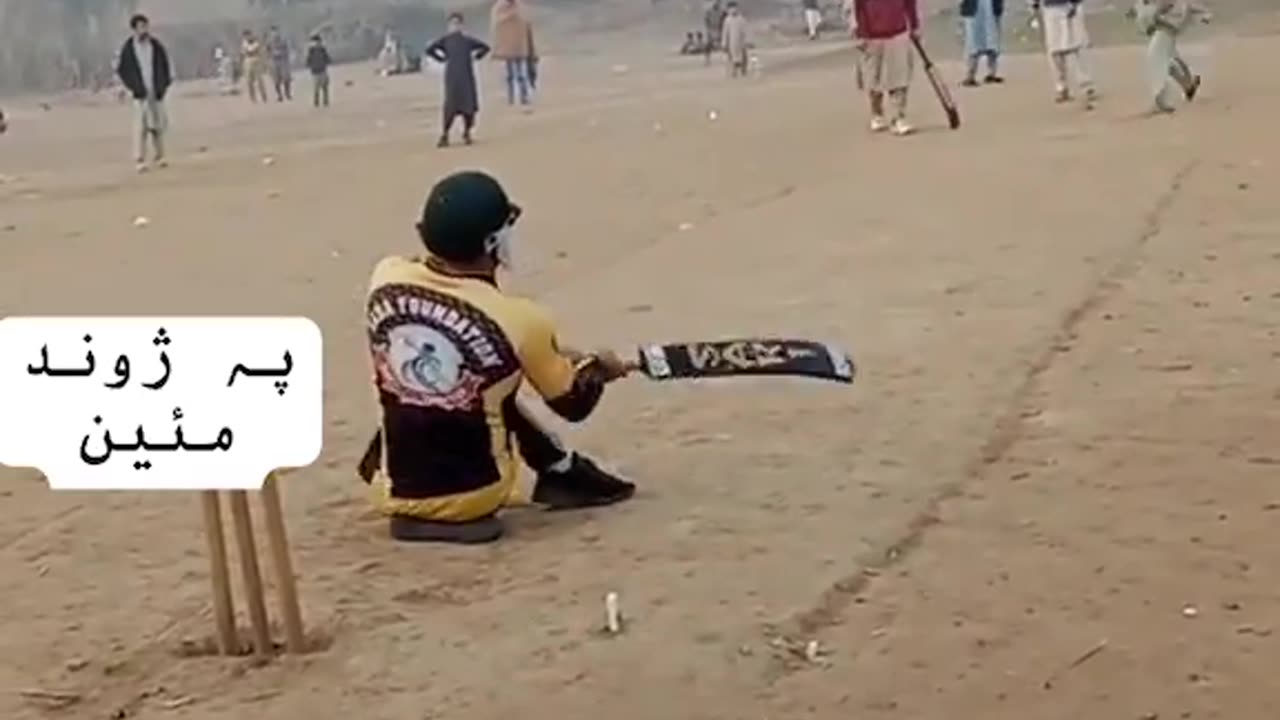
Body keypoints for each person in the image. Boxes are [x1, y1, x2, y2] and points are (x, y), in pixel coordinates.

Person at [359, 170, 637, 544]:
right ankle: (562, 473)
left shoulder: (385, 277)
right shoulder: (520, 319)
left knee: (461, 383)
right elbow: (573, 405)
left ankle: (559, 473)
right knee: (488, 383)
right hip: (477, 495)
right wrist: (597, 370)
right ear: (492, 242)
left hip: (389, 486)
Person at [850, 0, 919, 135]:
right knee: (872, 79)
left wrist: (914, 26)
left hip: (898, 31)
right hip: (870, 34)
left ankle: (898, 117)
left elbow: (910, 3)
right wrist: (857, 32)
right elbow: (854, 7)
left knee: (899, 77)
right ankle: (877, 113)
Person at [116, 14, 173, 173]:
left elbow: (165, 66)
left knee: (158, 126)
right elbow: (123, 70)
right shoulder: (129, 49)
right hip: (140, 94)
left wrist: (163, 85)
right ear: (134, 29)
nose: (144, 30)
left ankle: (160, 156)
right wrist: (134, 87)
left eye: (145, 26)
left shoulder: (155, 46)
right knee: (140, 127)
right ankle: (139, 159)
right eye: (141, 27)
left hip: (156, 92)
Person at [426, 13, 491, 147]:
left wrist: (476, 57)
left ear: (462, 25)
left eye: (457, 23)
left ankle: (467, 132)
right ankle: (445, 134)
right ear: (449, 26)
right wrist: (441, 58)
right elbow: (430, 50)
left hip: (466, 76)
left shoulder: (467, 40)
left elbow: (485, 47)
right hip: (452, 77)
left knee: (468, 107)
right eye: (452, 24)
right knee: (450, 106)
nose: (455, 26)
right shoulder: (445, 40)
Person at [1132, 0, 1209, 113]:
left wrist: (1159, 23)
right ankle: (1187, 85)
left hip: (1163, 35)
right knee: (1169, 63)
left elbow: (1158, 16)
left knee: (1157, 63)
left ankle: (1162, 98)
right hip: (1166, 35)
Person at [1030, 0, 1096, 106]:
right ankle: (1062, 87)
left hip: (1071, 6)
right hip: (1051, 8)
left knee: (1078, 46)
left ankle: (1086, 86)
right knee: (1056, 50)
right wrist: (1034, 4)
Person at [491, 0, 534, 108]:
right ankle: (511, 99)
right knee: (509, 75)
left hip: (520, 47)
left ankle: (524, 97)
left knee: (522, 75)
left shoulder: (521, 6)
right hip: (507, 48)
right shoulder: (500, 7)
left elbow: (527, 25)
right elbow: (497, 25)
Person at [960, 0, 1004, 85]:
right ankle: (970, 76)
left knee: (992, 42)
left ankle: (991, 74)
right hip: (973, 9)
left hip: (991, 8)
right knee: (973, 42)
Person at [722, 3, 750, 78]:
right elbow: (725, 32)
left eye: (734, 8)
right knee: (733, 57)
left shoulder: (741, 19)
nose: (733, 10)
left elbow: (745, 31)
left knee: (743, 56)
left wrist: (746, 40)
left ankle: (743, 70)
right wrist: (724, 43)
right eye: (731, 8)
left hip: (741, 41)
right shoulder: (727, 20)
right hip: (731, 41)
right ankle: (734, 71)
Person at [266, 26, 293, 102]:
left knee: (286, 78)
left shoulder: (283, 40)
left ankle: (287, 93)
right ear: (271, 33)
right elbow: (267, 52)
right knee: (276, 80)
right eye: (273, 32)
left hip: (283, 60)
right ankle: (279, 95)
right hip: (274, 61)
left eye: (276, 32)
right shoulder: (269, 42)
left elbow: (287, 50)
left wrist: (283, 54)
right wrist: (270, 58)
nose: (275, 34)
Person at [305, 35, 332, 108]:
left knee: (324, 86)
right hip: (315, 71)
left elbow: (328, 59)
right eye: (315, 42)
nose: (317, 43)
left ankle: (325, 101)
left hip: (322, 70)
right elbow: (308, 61)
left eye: (318, 41)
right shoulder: (311, 51)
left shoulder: (322, 49)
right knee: (316, 88)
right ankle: (316, 102)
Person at [241, 30, 267, 103]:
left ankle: (263, 96)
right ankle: (253, 98)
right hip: (248, 62)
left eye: (248, 35)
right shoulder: (244, 43)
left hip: (256, 61)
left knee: (259, 80)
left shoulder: (256, 42)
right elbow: (244, 53)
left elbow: (258, 50)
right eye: (245, 36)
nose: (247, 37)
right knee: (249, 81)